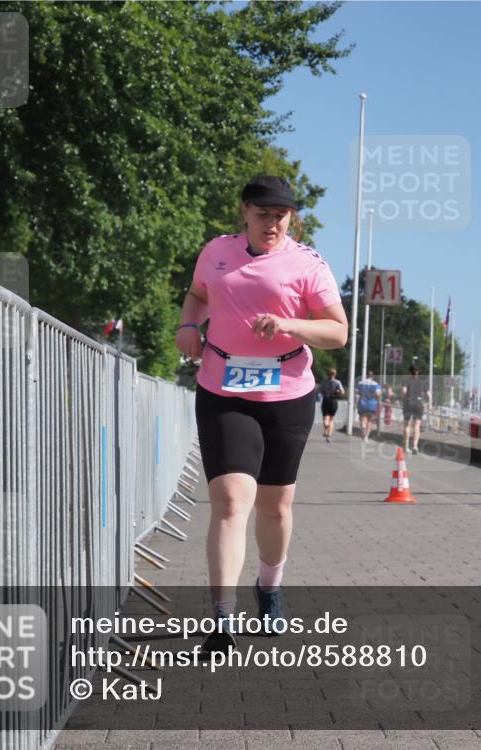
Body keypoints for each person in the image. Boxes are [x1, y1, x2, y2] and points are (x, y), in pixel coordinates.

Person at [176, 175, 347, 653]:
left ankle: (269, 587)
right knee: (231, 501)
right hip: (223, 387)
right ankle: (221, 618)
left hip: (288, 392)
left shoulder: (307, 263)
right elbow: (199, 294)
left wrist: (289, 324)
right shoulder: (217, 252)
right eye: (262, 214)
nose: (271, 223)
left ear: (291, 217)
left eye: (281, 215)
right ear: (245, 212)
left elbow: (338, 332)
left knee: (275, 507)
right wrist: (189, 324)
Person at [401, 364, 427, 454]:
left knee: (407, 425)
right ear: (418, 371)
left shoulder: (406, 380)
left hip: (408, 402)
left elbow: (404, 391)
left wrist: (406, 398)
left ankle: (406, 446)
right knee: (417, 425)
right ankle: (415, 446)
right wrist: (427, 403)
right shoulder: (422, 382)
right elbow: (429, 395)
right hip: (418, 403)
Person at [317, 368, 344, 442]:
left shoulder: (323, 382)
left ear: (327, 374)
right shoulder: (337, 382)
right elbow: (342, 392)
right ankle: (329, 435)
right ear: (335, 374)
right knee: (331, 419)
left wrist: (323, 393)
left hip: (326, 400)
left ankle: (326, 428)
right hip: (333, 401)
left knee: (326, 417)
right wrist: (337, 392)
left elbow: (318, 391)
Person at [355, 371, 381, 442]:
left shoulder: (360, 383)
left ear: (366, 376)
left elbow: (357, 392)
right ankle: (367, 436)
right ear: (372, 377)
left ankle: (363, 433)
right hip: (372, 405)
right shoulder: (376, 384)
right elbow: (378, 394)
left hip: (362, 404)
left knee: (362, 419)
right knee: (369, 421)